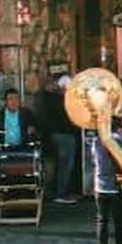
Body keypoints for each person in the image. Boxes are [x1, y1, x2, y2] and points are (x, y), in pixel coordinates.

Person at [91, 116, 122, 244]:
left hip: (100, 184)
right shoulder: (118, 139)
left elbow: (94, 160)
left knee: (102, 219)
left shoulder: (96, 140)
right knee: (119, 218)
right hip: (117, 183)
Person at [45, 76, 80, 205]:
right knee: (66, 165)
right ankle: (61, 193)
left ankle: (62, 191)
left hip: (57, 134)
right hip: (64, 134)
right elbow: (71, 119)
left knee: (63, 164)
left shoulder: (50, 100)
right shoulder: (64, 102)